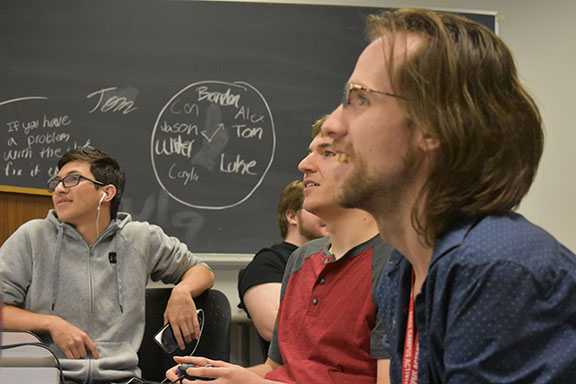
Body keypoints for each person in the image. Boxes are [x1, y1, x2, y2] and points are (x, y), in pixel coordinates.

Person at [321, 8, 576, 383]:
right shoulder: (403, 271)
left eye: (360, 99)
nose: (331, 124)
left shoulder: (496, 269)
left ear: (433, 126)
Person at [166, 116, 393, 383]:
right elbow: (276, 369)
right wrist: (215, 376)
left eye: (327, 153)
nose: (304, 165)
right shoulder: (302, 259)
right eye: (309, 153)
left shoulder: (395, 265)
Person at [0, 147, 215, 383]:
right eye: (57, 182)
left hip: (122, 378)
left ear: (106, 192)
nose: (60, 189)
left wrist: (182, 290)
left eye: (72, 179)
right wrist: (51, 324)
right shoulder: (33, 237)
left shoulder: (140, 238)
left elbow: (201, 270)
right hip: (49, 375)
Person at [237, 180, 328, 358]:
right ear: (292, 216)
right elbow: (274, 327)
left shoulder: (340, 259)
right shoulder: (268, 263)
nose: (326, 215)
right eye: (315, 208)